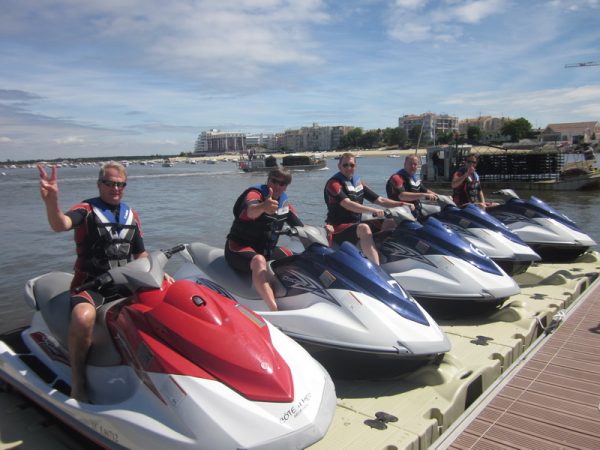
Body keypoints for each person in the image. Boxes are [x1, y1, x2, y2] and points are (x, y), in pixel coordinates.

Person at [38, 161, 151, 402]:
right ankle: (78, 381)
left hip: (123, 285)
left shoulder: (132, 215)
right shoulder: (86, 209)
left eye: (120, 184)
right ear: (99, 184)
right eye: (110, 183)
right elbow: (60, 225)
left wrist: (156, 273)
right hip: (89, 286)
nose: (115, 188)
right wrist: (51, 202)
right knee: (83, 317)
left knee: (156, 305)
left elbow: (140, 254)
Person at [225, 168, 302, 312]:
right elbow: (250, 210)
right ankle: (275, 310)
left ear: (286, 186)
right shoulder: (255, 194)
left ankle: (298, 297)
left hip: (265, 250)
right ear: (268, 180)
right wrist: (263, 207)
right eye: (274, 181)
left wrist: (323, 230)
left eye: (282, 183)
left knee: (295, 257)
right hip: (237, 248)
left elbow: (301, 227)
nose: (277, 186)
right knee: (259, 260)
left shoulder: (285, 204)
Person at [324, 152, 414, 265]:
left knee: (390, 221)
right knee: (364, 228)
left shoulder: (358, 183)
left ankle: (387, 254)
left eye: (351, 165)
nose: (348, 168)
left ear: (355, 167)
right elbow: (348, 204)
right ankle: (377, 268)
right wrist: (374, 210)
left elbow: (380, 200)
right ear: (339, 166)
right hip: (338, 228)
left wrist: (401, 204)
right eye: (345, 165)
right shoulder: (333, 184)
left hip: (355, 224)